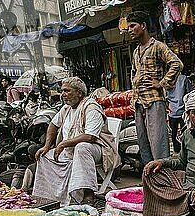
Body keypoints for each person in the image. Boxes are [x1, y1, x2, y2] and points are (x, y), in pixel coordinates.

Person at [32, 77, 119, 205]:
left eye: (67, 91)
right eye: (62, 91)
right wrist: (46, 146)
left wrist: (63, 143)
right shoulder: (66, 108)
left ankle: (88, 193)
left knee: (82, 147)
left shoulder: (91, 107)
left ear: (79, 93)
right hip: (70, 150)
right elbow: (53, 125)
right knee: (44, 156)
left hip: (98, 150)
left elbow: (90, 137)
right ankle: (52, 197)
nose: (63, 94)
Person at [127, 10, 183, 165]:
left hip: (154, 101)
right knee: (144, 145)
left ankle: (163, 181)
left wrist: (162, 83)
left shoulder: (158, 46)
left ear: (143, 26)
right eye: (129, 27)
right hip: (139, 103)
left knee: (158, 144)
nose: (130, 30)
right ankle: (150, 181)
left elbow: (176, 64)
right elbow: (134, 73)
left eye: (133, 26)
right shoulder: (136, 51)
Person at [167, 73, 192, 153]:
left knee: (173, 133)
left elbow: (165, 95)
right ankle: (185, 150)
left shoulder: (167, 79)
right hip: (183, 111)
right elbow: (189, 93)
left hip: (172, 110)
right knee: (185, 132)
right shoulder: (184, 78)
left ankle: (177, 150)